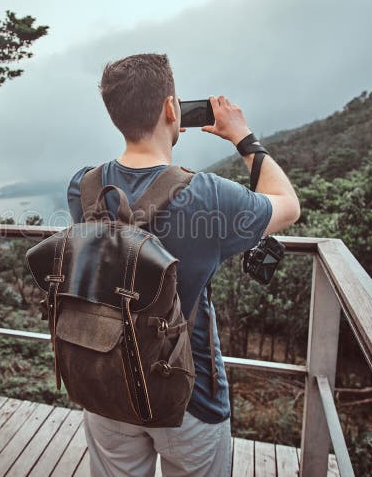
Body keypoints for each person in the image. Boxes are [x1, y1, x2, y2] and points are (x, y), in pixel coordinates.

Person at [66, 53, 300, 476]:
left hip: (106, 380)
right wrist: (244, 137)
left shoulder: (83, 187)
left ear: (115, 115)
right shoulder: (209, 195)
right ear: (172, 109)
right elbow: (288, 205)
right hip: (190, 397)